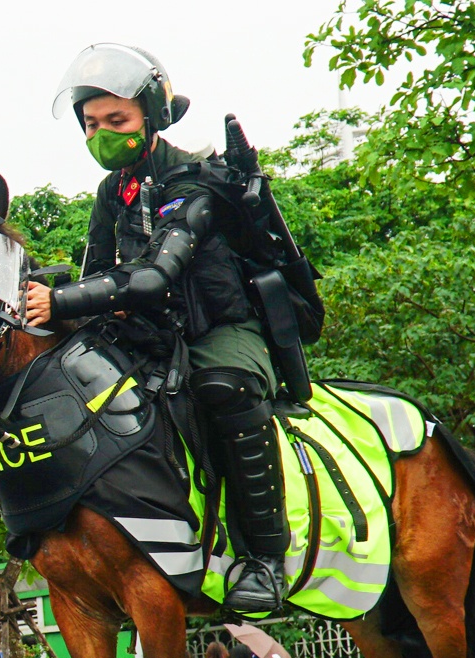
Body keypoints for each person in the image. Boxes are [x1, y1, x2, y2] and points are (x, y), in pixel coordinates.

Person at [28, 44, 289, 615]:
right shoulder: (109, 193)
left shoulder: (194, 182)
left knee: (224, 388)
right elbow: (99, 272)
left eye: (115, 121)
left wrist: (62, 300)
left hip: (218, 331)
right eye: (91, 124)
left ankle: (265, 559)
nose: (102, 134)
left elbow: (153, 276)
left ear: (153, 115)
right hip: (149, 338)